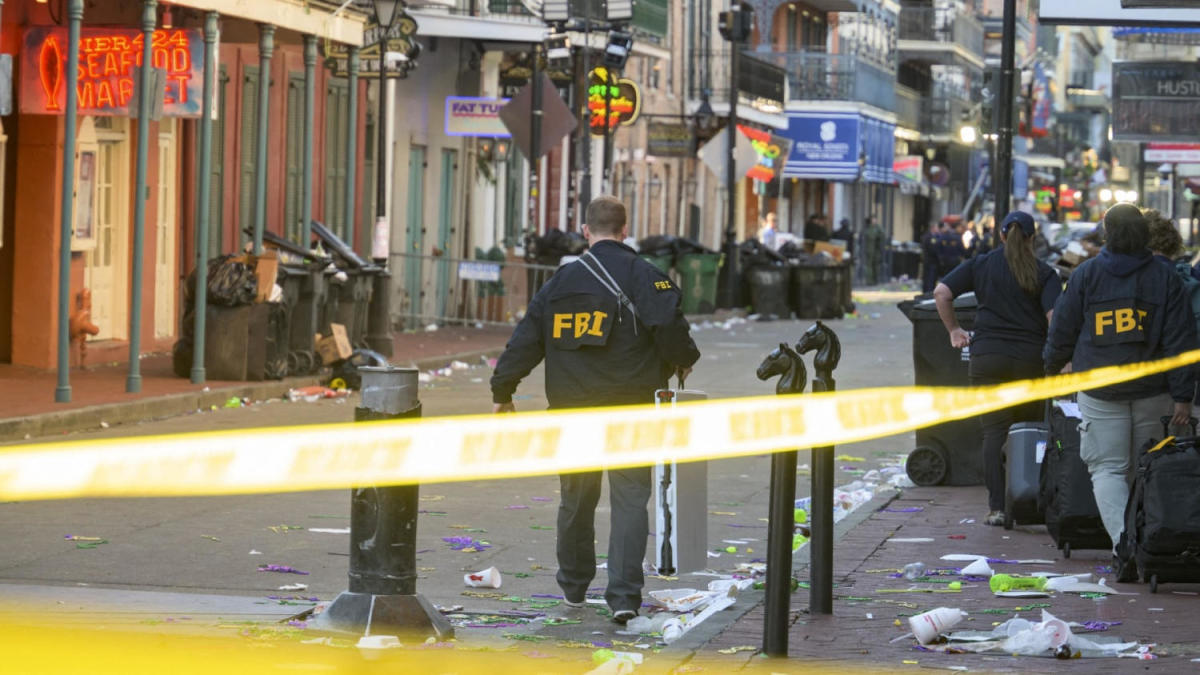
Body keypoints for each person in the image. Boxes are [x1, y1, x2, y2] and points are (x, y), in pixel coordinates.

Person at [490, 195, 701, 624]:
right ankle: (623, 597)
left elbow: (525, 339)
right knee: (629, 500)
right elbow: (672, 331)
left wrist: (503, 391)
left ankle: (573, 588)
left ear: (586, 231)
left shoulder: (559, 284)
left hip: (572, 410)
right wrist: (684, 358)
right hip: (630, 409)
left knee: (576, 498)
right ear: (625, 230)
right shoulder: (646, 276)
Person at [1044, 203, 1196, 571]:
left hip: (1100, 391)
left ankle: (1123, 546)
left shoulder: (1087, 274)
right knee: (1147, 468)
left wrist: (1051, 367)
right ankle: (1148, 543)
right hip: (1153, 390)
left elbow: (1062, 326)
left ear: (1107, 233)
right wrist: (1182, 395)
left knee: (1108, 469)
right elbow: (1180, 340)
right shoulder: (1165, 278)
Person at [933, 211, 1063, 525]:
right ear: (1032, 238)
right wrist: (1061, 357)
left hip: (987, 359)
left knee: (993, 434)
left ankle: (997, 507)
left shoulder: (980, 265)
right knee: (1028, 432)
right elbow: (1054, 319)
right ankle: (1027, 500)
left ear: (1002, 236)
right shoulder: (1044, 273)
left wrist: (954, 330)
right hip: (1030, 362)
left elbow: (941, 292)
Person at [862, 216, 886, 286]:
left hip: (876, 250)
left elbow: (882, 235)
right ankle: (870, 281)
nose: (874, 221)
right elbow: (869, 236)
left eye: (875, 219)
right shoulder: (868, 228)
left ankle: (875, 280)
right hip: (869, 250)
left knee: (876, 266)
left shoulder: (877, 228)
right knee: (869, 266)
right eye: (873, 219)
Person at [921, 222, 942, 293]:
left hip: (930, 261)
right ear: (932, 228)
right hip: (931, 261)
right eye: (936, 228)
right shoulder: (930, 237)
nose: (938, 229)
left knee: (931, 279)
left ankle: (929, 291)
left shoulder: (933, 236)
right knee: (930, 278)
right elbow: (932, 249)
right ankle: (928, 292)